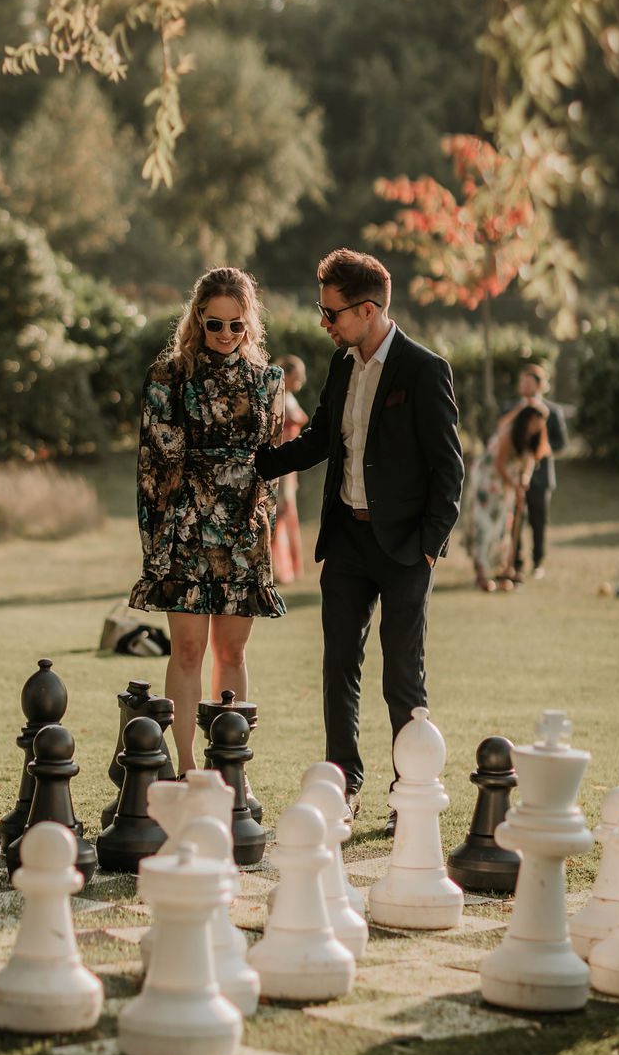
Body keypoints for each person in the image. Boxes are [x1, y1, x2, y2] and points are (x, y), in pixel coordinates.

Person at [255, 248, 464, 835]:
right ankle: (343, 784)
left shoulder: (425, 370)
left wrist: (429, 547)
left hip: (405, 551)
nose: (325, 323)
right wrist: (254, 464)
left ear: (368, 310)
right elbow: (321, 440)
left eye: (333, 313)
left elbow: (450, 470)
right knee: (338, 666)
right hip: (346, 542)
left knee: (403, 673)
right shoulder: (343, 365)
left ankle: (410, 789)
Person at [129, 266, 285, 777]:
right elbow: (153, 464)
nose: (224, 334)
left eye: (235, 325)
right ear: (197, 318)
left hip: (243, 533)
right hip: (186, 528)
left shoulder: (268, 381)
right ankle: (185, 766)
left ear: (249, 324)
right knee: (189, 649)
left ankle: (227, 767)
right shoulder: (169, 376)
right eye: (213, 323)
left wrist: (265, 526)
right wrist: (155, 544)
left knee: (232, 652)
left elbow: (273, 463)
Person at [464, 405, 551, 592]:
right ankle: (481, 574)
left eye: (541, 423)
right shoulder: (510, 433)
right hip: (488, 483)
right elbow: (499, 463)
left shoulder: (534, 438)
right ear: (526, 419)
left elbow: (529, 460)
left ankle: (502, 570)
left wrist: (524, 481)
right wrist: (515, 485)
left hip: (506, 487)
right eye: (535, 421)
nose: (538, 426)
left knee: (503, 528)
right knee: (485, 526)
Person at [504, 364, 567, 580]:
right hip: (513, 476)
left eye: (530, 382)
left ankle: (538, 562)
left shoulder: (553, 412)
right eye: (522, 381)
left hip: (541, 477)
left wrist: (541, 449)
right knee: (514, 520)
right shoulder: (510, 408)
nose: (525, 386)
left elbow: (561, 443)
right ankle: (516, 562)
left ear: (540, 385)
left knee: (539, 521)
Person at [270, 354, 309, 584]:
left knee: (286, 515)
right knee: (279, 514)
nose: (301, 380)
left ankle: (285, 568)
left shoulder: (290, 397)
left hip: (290, 466)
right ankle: (275, 567)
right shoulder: (279, 399)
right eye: (298, 376)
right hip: (282, 462)